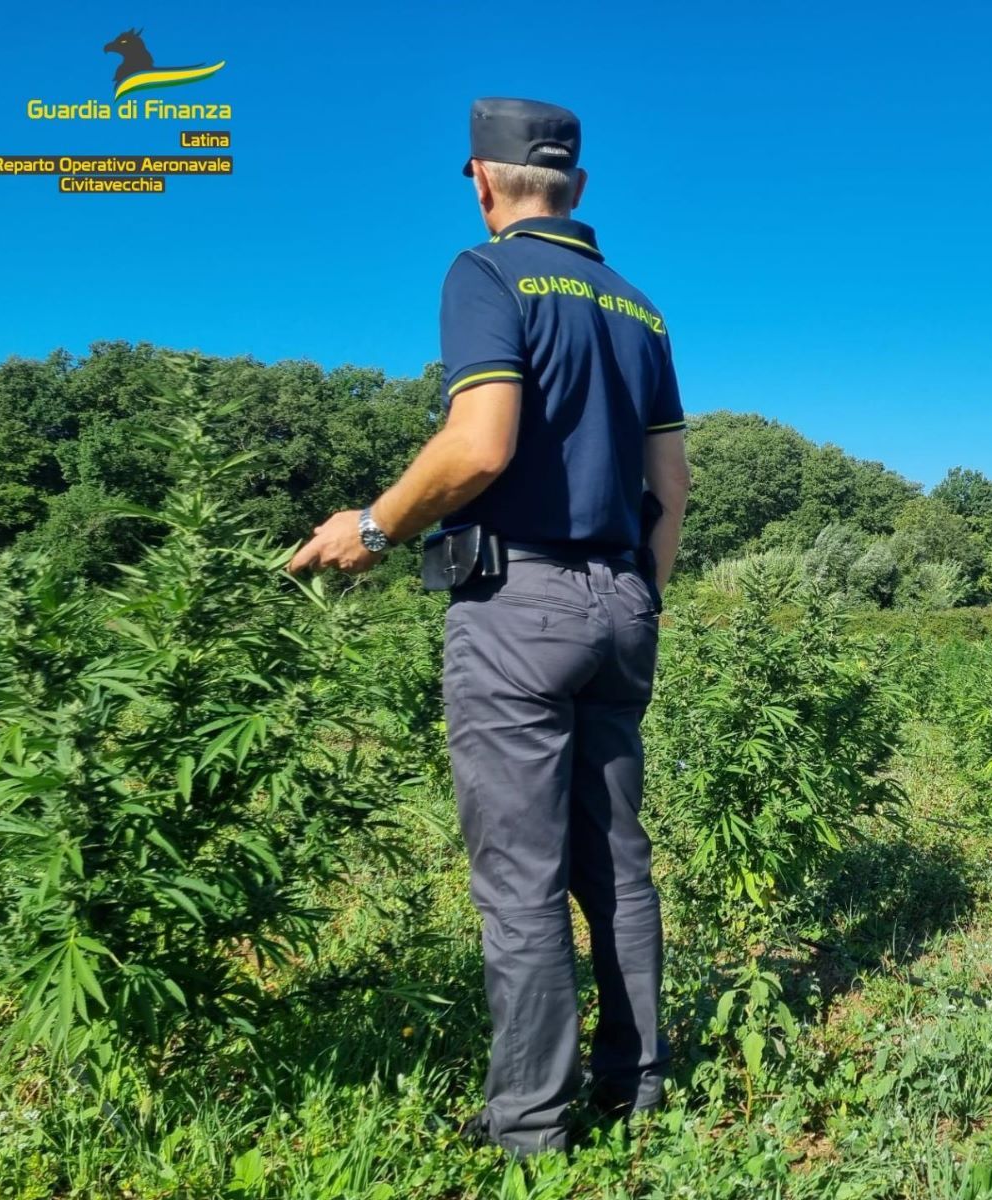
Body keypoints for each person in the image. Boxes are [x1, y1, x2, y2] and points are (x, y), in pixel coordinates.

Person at [289, 96, 690, 1159]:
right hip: (621, 602)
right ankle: (637, 1084)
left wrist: (370, 527)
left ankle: (528, 1131)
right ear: (579, 187)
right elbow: (673, 486)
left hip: (521, 603)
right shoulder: (640, 309)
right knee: (617, 863)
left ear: (480, 178)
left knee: (520, 881)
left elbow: (477, 446)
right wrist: (639, 594)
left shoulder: (488, 273)